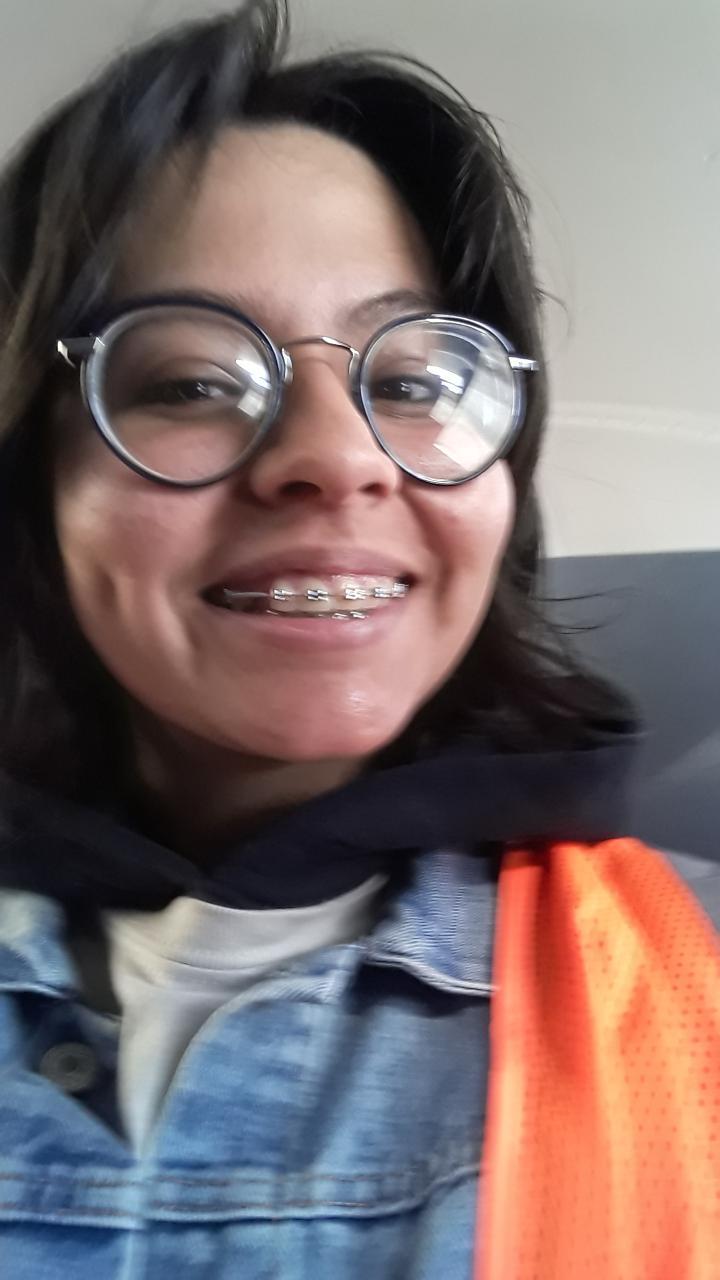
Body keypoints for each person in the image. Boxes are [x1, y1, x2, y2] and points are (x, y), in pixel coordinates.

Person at [0, 3, 717, 1277]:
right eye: (191, 381)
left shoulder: (696, 974)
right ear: (32, 483)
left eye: (412, 381)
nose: (339, 457)